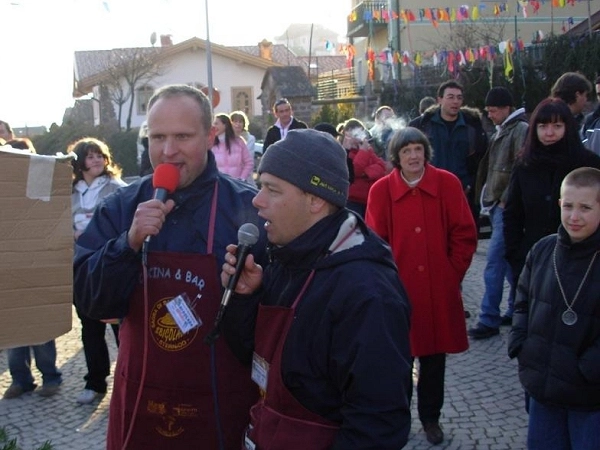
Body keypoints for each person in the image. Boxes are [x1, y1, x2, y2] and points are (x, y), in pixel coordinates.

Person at [73, 84, 268, 449]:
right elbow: (89, 301)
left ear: (210, 136)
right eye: (158, 137)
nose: (167, 150)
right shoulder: (121, 208)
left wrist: (248, 295)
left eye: (182, 136)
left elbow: (274, 329)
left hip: (221, 406)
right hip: (140, 403)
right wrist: (127, 244)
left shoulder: (249, 211)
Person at [221, 129, 413, 449]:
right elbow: (253, 358)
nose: (257, 200)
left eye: (272, 189)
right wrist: (245, 298)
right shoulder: (285, 258)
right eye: (259, 185)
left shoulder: (367, 293)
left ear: (316, 199)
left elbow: (377, 425)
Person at [366, 127, 477, 445]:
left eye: (418, 149)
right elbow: (375, 242)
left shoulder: (447, 183)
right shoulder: (381, 191)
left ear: (426, 152)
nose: (413, 156)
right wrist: (385, 283)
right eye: (406, 151)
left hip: (436, 290)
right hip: (398, 292)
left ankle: (431, 418)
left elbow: (464, 233)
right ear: (396, 157)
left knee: (433, 359)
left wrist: (450, 272)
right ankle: (398, 420)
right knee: (398, 361)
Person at [508, 167, 600, 450]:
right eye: (568, 206)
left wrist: (587, 369)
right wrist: (521, 345)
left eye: (585, 208)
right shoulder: (543, 250)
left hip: (589, 395)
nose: (574, 216)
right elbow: (522, 300)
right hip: (543, 388)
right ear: (559, 204)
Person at [504, 97, 600, 303]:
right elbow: (513, 213)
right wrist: (515, 256)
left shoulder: (588, 163)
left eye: (557, 126)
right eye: (543, 126)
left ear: (568, 127)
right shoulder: (524, 165)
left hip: (583, 259)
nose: (549, 133)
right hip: (534, 257)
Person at [3, 137, 63, 399]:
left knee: (41, 326)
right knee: (13, 328)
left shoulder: (42, 186)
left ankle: (50, 376)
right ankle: (21, 379)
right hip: (8, 269)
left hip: (39, 266)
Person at [69, 137, 127, 404]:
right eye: (90, 156)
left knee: (120, 326)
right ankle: (95, 382)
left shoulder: (117, 188)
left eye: (100, 156)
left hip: (109, 264)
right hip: (81, 265)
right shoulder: (70, 191)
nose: (97, 161)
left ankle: (127, 380)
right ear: (80, 161)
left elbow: (125, 223)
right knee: (89, 326)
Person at [468, 87, 529, 340]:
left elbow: (520, 168)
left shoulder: (520, 129)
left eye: (493, 110)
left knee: (494, 262)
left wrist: (504, 200)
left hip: (506, 207)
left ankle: (489, 318)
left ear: (506, 108)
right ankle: (515, 310)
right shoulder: (503, 130)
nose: (490, 115)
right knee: (506, 263)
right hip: (497, 206)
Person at [409, 80, 488, 222]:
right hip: (429, 192)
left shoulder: (472, 126)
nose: (455, 101)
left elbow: (482, 160)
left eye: (459, 97)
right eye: (450, 97)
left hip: (464, 192)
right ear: (439, 99)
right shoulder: (422, 126)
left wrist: (471, 184)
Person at [340, 118, 387, 217]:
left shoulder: (367, 149)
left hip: (369, 199)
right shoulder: (344, 151)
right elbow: (354, 170)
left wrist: (365, 173)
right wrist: (363, 152)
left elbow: (382, 167)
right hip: (353, 201)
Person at [211, 113, 254, 182]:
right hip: (219, 184)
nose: (214, 126)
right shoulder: (211, 144)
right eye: (213, 124)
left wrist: (242, 179)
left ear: (225, 125)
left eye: (216, 124)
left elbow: (249, 163)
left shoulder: (239, 142)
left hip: (236, 185)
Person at [230, 110, 257, 184]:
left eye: (240, 122)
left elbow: (249, 158)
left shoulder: (250, 138)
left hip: (246, 177)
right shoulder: (227, 139)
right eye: (235, 121)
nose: (238, 124)